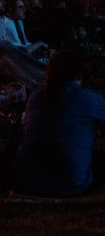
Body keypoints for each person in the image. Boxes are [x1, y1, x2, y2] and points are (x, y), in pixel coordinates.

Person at [14, 51, 105, 197]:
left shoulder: (35, 96)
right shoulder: (88, 99)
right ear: (80, 72)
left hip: (27, 181)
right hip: (70, 184)